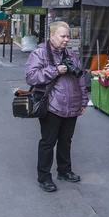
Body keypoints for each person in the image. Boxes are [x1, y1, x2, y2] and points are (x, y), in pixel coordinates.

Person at [25, 21, 88, 193]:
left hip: (72, 104)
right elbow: (31, 77)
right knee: (48, 142)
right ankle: (44, 177)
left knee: (66, 140)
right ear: (51, 36)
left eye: (68, 36)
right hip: (51, 105)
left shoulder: (72, 55)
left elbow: (80, 79)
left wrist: (83, 101)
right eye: (63, 36)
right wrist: (54, 70)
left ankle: (64, 170)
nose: (67, 39)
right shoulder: (39, 53)